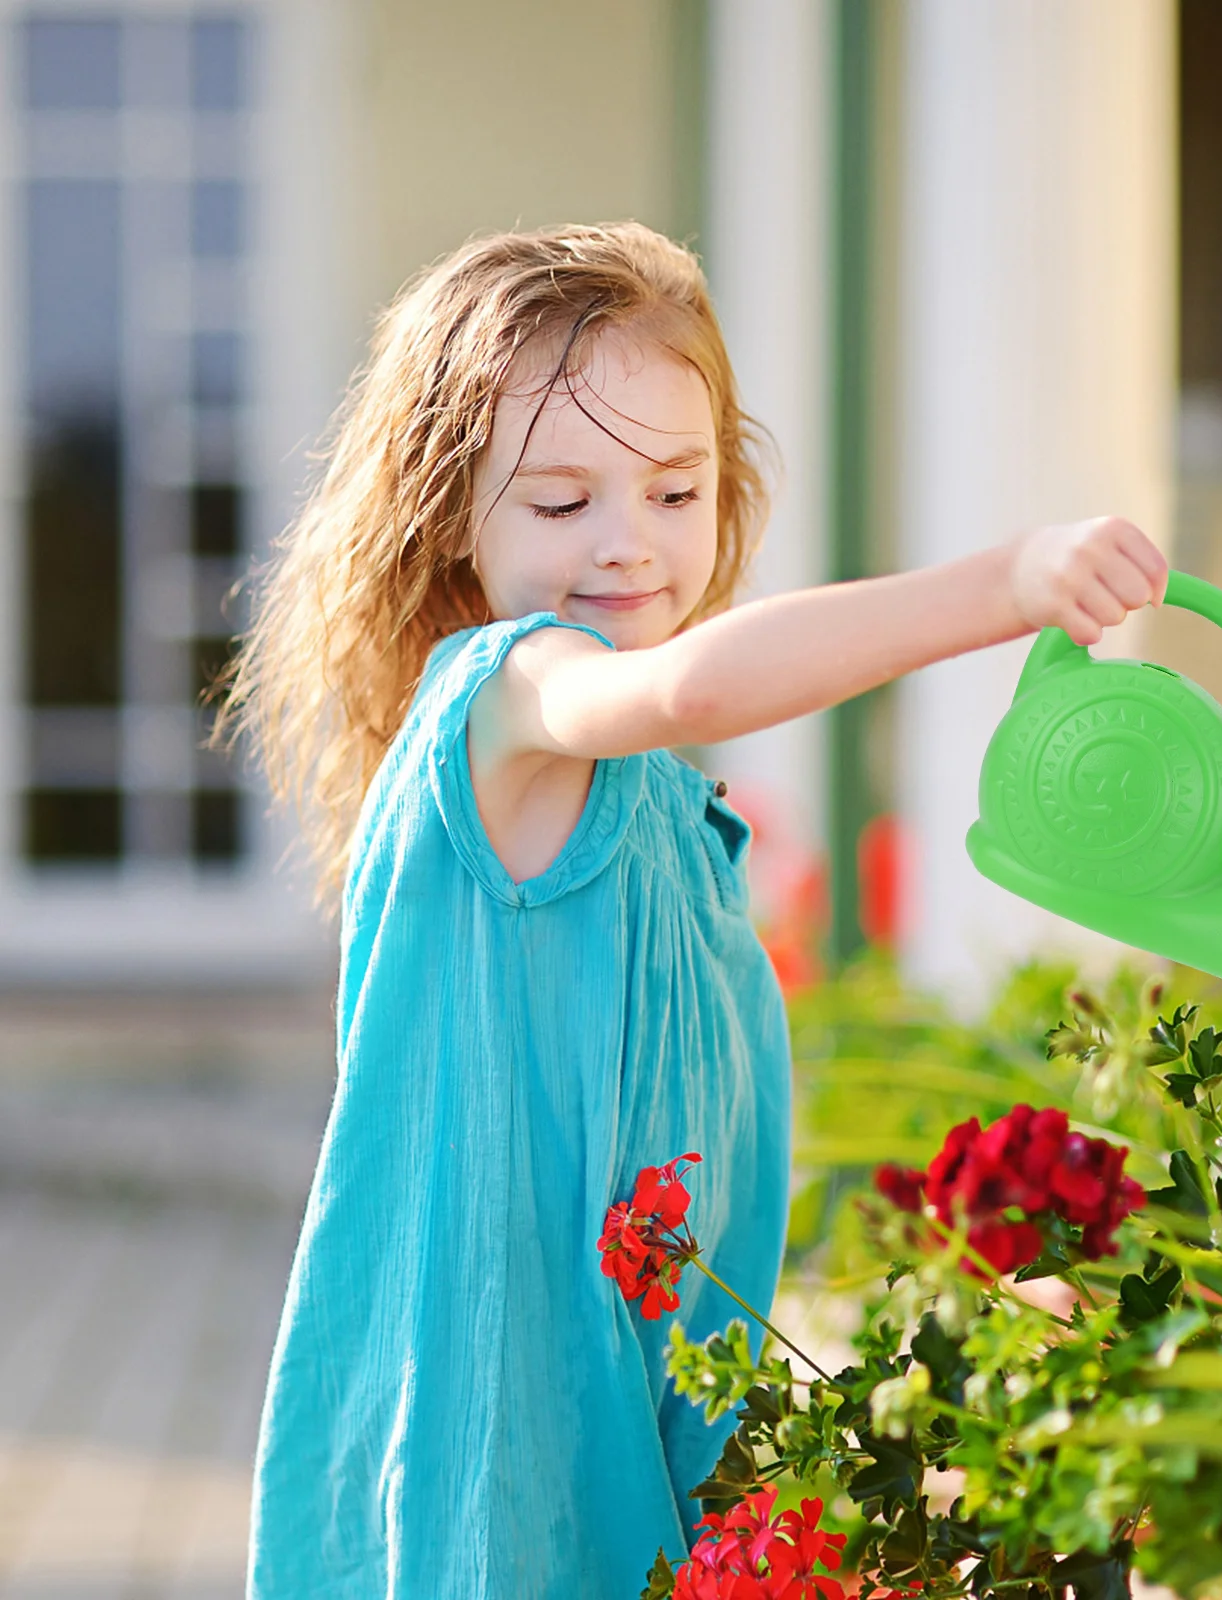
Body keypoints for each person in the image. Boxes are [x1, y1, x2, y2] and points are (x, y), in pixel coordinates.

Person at [218, 221, 1167, 1598]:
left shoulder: (645, 785)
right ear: (450, 521)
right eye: (561, 504)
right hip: (509, 1398)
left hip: (639, 1378)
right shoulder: (514, 699)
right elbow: (694, 686)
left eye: (675, 491)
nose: (629, 545)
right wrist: (1006, 583)